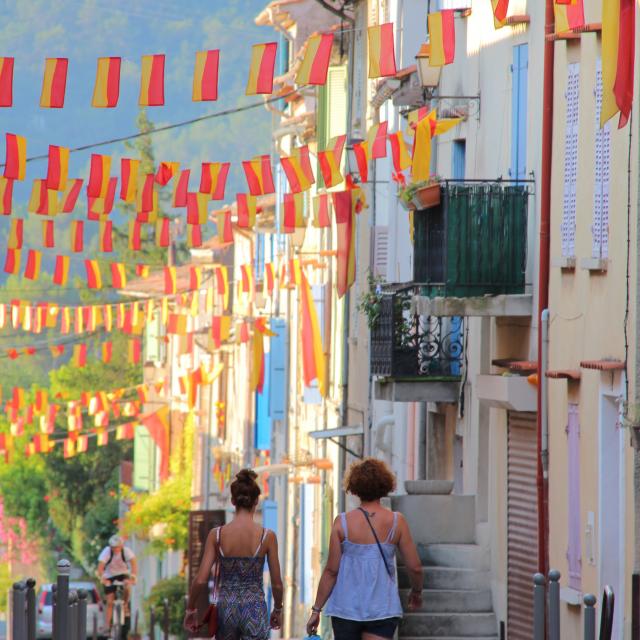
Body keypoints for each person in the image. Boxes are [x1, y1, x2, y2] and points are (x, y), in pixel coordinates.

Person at [306, 458, 424, 640]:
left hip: (346, 610)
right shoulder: (396, 522)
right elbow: (415, 567)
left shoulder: (342, 522)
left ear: (355, 487)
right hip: (382, 608)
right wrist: (416, 592)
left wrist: (316, 610)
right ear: (385, 485)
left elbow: (331, 571)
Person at [184, 469, 284, 640]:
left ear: (232, 501)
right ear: (256, 501)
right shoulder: (267, 537)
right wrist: (278, 609)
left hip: (226, 609)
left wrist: (191, 608)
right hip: (255, 608)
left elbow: (200, 579)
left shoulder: (216, 535)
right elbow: (276, 584)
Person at [97, 534, 137, 632]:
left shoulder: (126, 551)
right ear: (110, 547)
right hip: (109, 575)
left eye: (118, 547)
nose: (116, 550)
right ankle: (107, 625)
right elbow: (100, 568)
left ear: (122, 546)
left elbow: (133, 564)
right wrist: (103, 579)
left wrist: (133, 577)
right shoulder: (106, 552)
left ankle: (125, 604)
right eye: (114, 548)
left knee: (127, 586)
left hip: (123, 573)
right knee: (110, 601)